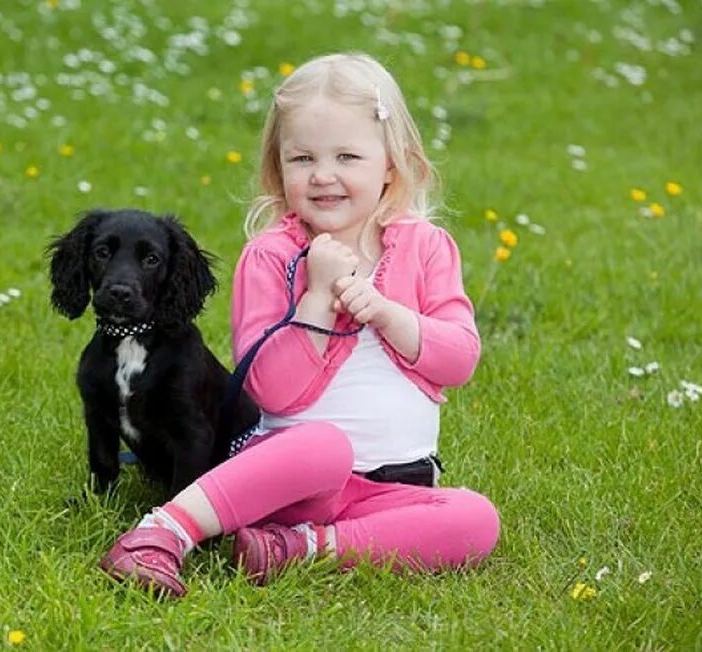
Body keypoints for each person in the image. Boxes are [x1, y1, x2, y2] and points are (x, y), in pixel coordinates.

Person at [99, 52, 499, 597]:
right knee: (323, 445)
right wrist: (315, 298)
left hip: (393, 486)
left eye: (348, 156)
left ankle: (294, 550)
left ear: (392, 163)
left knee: (475, 519)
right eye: (303, 157)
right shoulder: (271, 256)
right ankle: (163, 532)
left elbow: (458, 360)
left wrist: (386, 311)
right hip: (295, 480)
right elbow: (273, 391)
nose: (323, 175)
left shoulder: (426, 248)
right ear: (277, 166)